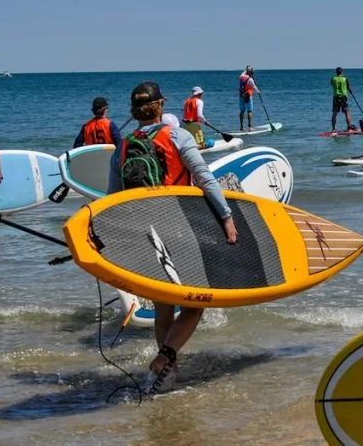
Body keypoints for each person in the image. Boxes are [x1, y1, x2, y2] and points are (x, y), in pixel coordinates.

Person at [107, 82, 238, 394]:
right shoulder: (178, 136)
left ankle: (169, 372)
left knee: (164, 306)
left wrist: (113, 239)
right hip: (177, 228)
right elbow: (204, 177)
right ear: (161, 106)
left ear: (133, 111)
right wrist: (226, 216)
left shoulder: (123, 146)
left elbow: (112, 198)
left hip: (142, 232)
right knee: (195, 303)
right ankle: (165, 356)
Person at [330, 67, 353, 132]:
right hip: (343, 97)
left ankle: (333, 129)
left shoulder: (333, 78)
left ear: (336, 72)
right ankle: (349, 128)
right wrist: (350, 91)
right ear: (341, 72)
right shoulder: (345, 79)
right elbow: (349, 87)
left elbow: (332, 83)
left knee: (334, 113)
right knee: (347, 112)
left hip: (336, 97)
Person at [238, 66, 258, 131]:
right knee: (249, 111)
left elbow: (244, 72)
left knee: (242, 111)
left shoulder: (241, 77)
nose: (253, 74)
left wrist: (247, 69)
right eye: (252, 72)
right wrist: (258, 91)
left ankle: (241, 127)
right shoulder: (250, 79)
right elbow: (254, 87)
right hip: (248, 96)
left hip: (241, 96)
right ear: (250, 73)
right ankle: (250, 127)